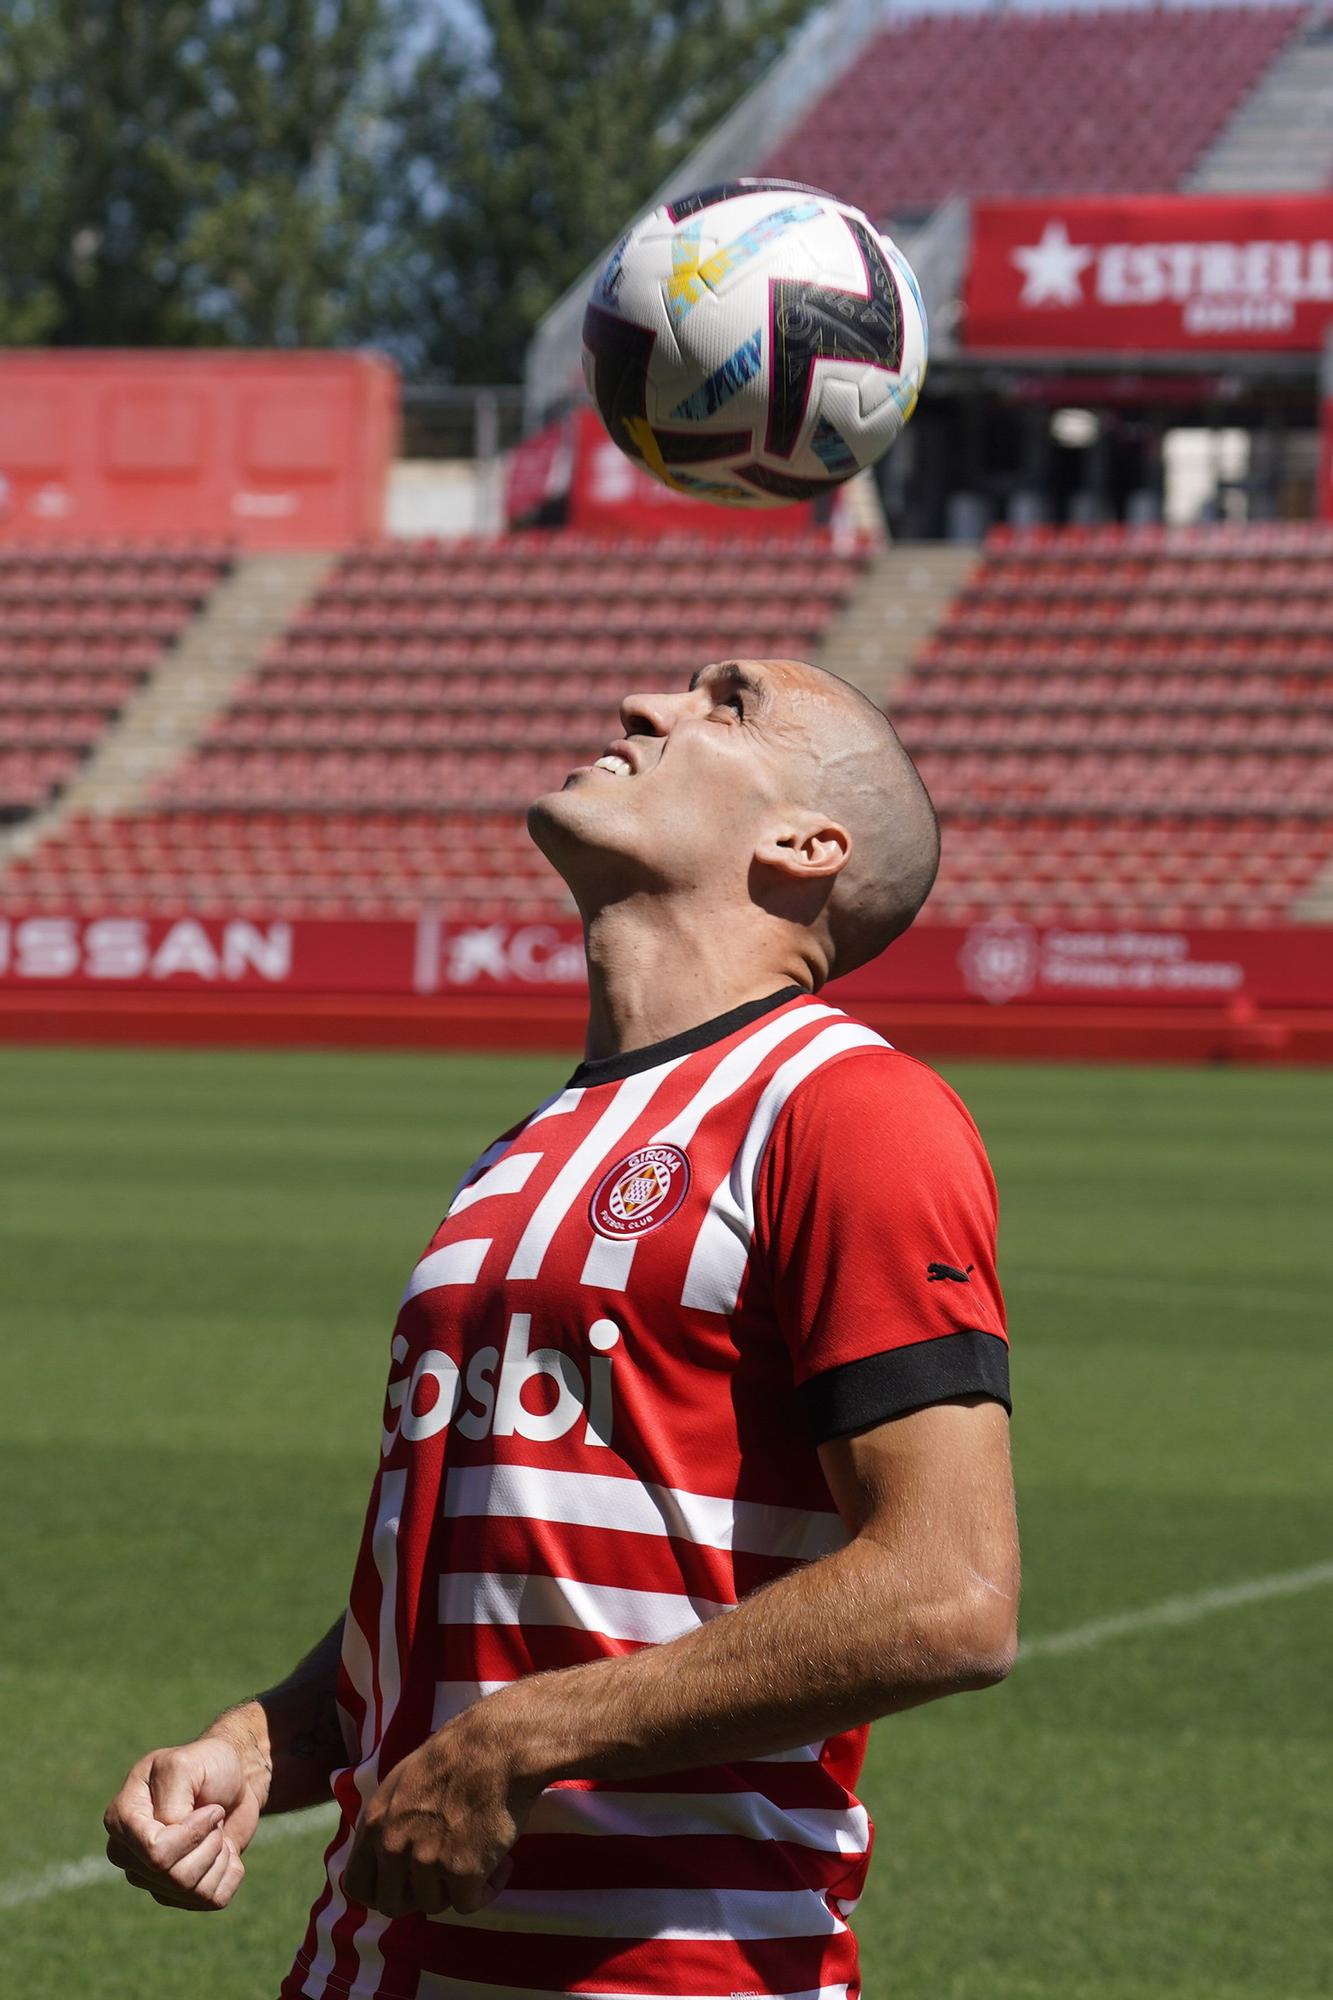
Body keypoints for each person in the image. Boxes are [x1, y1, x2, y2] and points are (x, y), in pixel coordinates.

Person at [105, 656, 1020, 2000]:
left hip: (665, 1971)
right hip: (365, 1962)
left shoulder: (847, 1111)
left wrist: (514, 1741)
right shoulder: (526, 1148)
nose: (645, 710)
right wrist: (261, 1740)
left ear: (805, 845)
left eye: (726, 707)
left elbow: (947, 1595)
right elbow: (457, 1594)